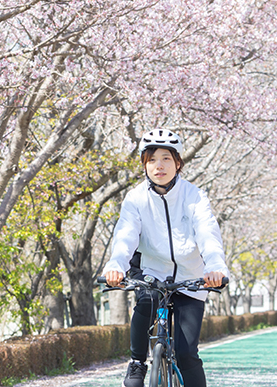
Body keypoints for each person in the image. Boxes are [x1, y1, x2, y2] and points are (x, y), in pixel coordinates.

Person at [102, 129, 228, 387]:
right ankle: (138, 361)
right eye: (151, 160)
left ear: (178, 163)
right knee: (146, 302)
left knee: (186, 355)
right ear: (144, 165)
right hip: (152, 271)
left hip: (191, 277)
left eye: (166, 158)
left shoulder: (194, 197)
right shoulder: (136, 198)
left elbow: (207, 234)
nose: (158, 165)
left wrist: (215, 267)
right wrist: (115, 266)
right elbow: (125, 236)